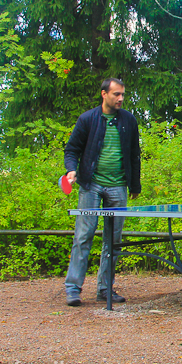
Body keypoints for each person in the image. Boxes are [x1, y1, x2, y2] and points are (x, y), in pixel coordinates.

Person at [63, 78, 141, 306]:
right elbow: (72, 149)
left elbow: (135, 154)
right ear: (104, 94)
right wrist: (71, 171)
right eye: (117, 94)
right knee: (83, 236)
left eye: (123, 95)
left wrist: (134, 185)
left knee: (113, 240)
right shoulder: (87, 119)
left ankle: (105, 289)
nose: (121, 99)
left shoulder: (129, 120)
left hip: (118, 186)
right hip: (91, 185)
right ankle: (73, 289)